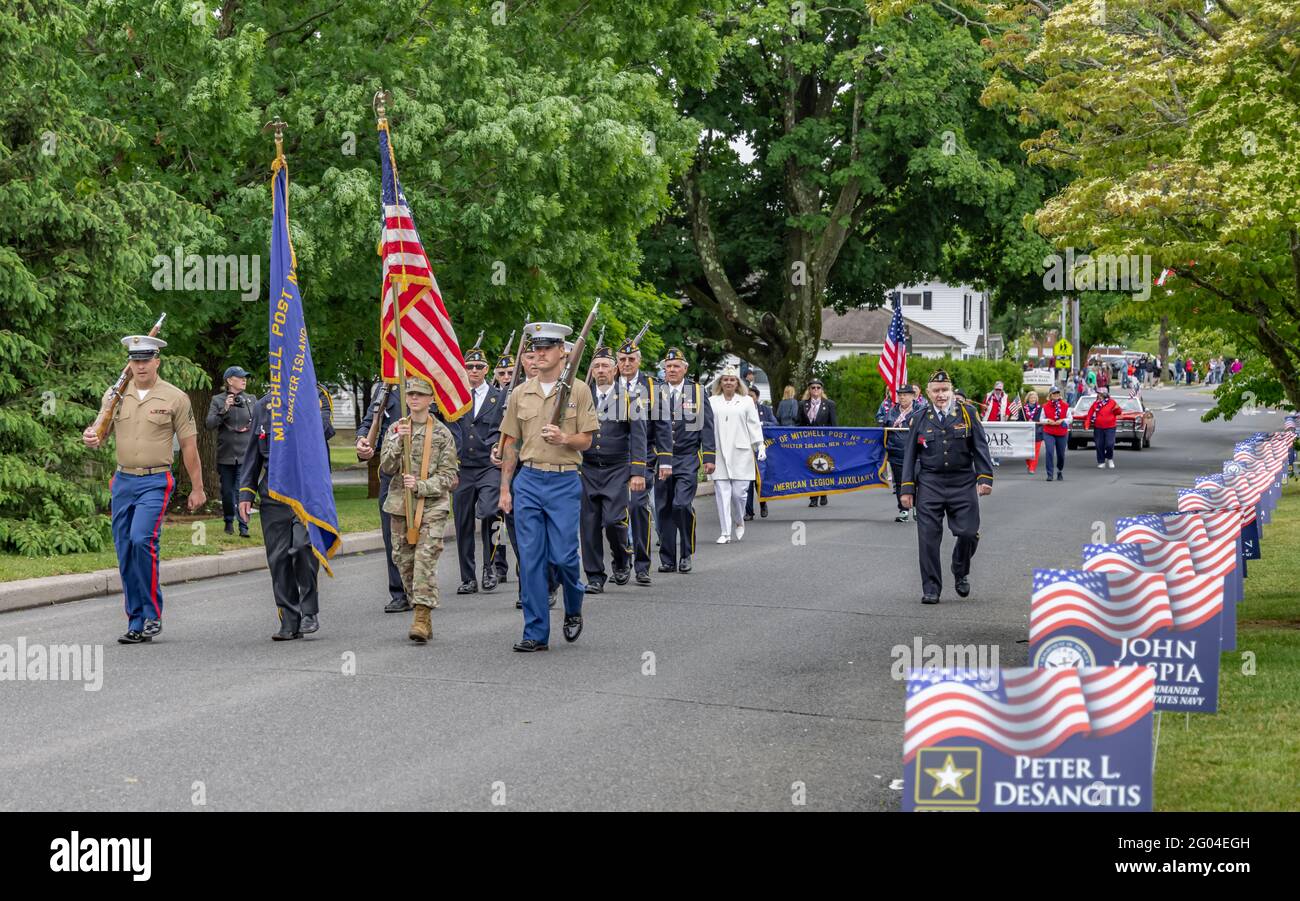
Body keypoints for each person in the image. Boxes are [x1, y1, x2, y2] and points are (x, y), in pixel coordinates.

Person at [82, 334, 205, 644]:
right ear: (130, 363)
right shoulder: (114, 395)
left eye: (145, 359)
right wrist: (93, 436)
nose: (140, 365)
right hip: (123, 480)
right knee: (125, 549)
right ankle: (135, 620)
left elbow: (189, 446)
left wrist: (198, 488)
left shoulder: (175, 397)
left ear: (156, 361)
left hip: (155, 480)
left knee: (141, 540)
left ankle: (152, 614)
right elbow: (102, 430)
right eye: (135, 360)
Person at [498, 321, 599, 652]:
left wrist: (565, 437)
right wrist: (505, 488)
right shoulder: (519, 393)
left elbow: (586, 440)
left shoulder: (579, 390)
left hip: (564, 479)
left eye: (546, 349)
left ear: (563, 352)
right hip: (528, 480)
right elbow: (510, 444)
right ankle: (535, 632)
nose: (538, 354)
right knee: (530, 559)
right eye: (535, 349)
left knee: (565, 556)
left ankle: (573, 604)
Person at [239, 383, 335, 640]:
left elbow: (324, 430)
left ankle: (308, 610)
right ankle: (288, 617)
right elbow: (253, 453)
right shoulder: (263, 406)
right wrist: (246, 492)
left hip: (307, 493)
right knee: (279, 558)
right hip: (274, 492)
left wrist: (304, 407)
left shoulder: (316, 395)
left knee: (303, 547)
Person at [898, 370, 994, 605]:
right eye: (936, 391)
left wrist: (985, 477)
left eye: (945, 390)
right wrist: (907, 489)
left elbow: (980, 447)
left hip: (962, 481)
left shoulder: (968, 413)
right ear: (928, 393)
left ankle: (960, 569)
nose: (941, 395)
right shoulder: (919, 417)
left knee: (969, 533)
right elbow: (910, 454)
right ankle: (931, 588)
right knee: (928, 538)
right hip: (930, 483)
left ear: (951, 390)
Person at [378, 377, 459, 642]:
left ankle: (421, 617)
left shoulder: (442, 434)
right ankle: (419, 606)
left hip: (433, 505)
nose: (414, 399)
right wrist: (395, 443)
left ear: (430, 400)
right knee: (404, 561)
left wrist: (423, 485)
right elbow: (386, 468)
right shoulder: (397, 429)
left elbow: (450, 476)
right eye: (410, 394)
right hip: (401, 505)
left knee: (425, 559)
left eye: (420, 395)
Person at [580, 343, 646, 593]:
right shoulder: (581, 397)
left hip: (617, 468)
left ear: (615, 369)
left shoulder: (630, 398)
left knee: (613, 520)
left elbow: (638, 437)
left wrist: (637, 472)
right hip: (587, 468)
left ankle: (621, 558)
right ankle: (595, 576)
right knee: (588, 524)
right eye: (596, 366)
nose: (600, 370)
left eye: (605, 366)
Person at [447, 341, 506, 596]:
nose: (473, 370)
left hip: (488, 465)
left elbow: (503, 428)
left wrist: (496, 446)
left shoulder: (499, 396)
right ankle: (468, 577)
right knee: (462, 523)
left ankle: (490, 566)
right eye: (469, 366)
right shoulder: (453, 398)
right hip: (462, 467)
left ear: (486, 369)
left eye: (478, 366)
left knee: (492, 513)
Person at [614, 332, 673, 586]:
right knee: (614, 515)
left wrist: (666, 459)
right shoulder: (607, 384)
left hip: (644, 457)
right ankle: (620, 560)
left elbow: (662, 425)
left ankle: (642, 563)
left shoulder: (653, 386)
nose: (626, 364)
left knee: (638, 507)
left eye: (631, 359)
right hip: (613, 459)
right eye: (622, 359)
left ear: (639, 360)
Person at [655, 347, 716, 573]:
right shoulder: (655, 391)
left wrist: (709, 456)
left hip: (687, 457)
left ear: (685, 369)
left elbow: (707, 426)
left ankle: (686, 553)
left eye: (675, 366)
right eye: (668, 366)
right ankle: (668, 559)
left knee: (681, 505)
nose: (671, 370)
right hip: (662, 459)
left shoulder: (698, 392)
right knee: (663, 509)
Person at [356, 382, 409, 612]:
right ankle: (399, 592)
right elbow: (370, 421)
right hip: (392, 473)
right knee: (392, 534)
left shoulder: (431, 379)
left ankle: (421, 587)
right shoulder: (383, 388)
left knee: (422, 533)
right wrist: (362, 441)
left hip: (424, 471)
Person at [708, 366, 765, 543]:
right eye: (725, 379)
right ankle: (725, 532)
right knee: (722, 493)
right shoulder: (711, 401)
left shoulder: (747, 401)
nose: (728, 382)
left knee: (739, 494)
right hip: (719, 452)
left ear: (737, 383)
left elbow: (754, 425)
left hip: (741, 452)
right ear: (720, 382)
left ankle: (739, 520)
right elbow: (707, 427)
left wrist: (760, 446)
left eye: (732, 380)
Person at [204, 365, 254, 537]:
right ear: (230, 381)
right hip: (226, 454)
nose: (244, 380)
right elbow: (209, 424)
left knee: (242, 490)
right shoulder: (217, 400)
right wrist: (224, 409)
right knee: (227, 492)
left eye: (245, 377)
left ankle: (244, 526)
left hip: (246, 455)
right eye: (240, 377)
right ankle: (228, 521)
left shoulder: (251, 400)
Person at [884, 384, 923, 522]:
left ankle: (918, 508)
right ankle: (903, 510)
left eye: (905, 394)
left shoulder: (920, 411)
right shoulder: (892, 412)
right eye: (900, 394)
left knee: (917, 481)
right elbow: (884, 429)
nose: (902, 397)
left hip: (915, 453)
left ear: (913, 396)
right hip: (896, 452)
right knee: (900, 482)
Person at [798, 378, 838, 506]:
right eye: (813, 387)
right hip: (808, 440)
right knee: (811, 466)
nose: (815, 390)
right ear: (809, 390)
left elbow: (834, 424)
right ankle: (813, 497)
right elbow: (799, 424)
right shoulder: (803, 404)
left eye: (818, 388)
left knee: (823, 465)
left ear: (822, 390)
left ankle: (823, 492)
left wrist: (833, 441)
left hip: (824, 440)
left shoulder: (829, 404)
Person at [745, 387, 777, 520]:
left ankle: (763, 503)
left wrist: (762, 423)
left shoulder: (765, 410)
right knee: (747, 482)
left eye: (751, 396)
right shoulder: (741, 409)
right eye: (746, 395)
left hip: (761, 449)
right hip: (745, 449)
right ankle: (748, 512)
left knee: (759, 481)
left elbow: (775, 424)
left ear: (756, 397)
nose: (748, 398)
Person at [1083, 387, 1120, 469]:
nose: (1099, 395)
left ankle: (1110, 458)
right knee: (1099, 444)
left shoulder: (1112, 402)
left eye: (1100, 394)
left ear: (1105, 395)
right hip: (1098, 427)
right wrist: (1087, 424)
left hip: (1110, 427)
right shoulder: (1095, 403)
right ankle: (1101, 461)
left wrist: (1117, 409)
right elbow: (1089, 415)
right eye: (1098, 394)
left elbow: (1118, 412)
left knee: (1110, 444)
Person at [1042, 386, 1070, 481]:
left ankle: (1059, 471)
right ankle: (1049, 474)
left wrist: (1062, 420)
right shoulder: (1045, 406)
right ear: (1050, 395)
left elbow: (1070, 419)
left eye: (1057, 393)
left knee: (1061, 454)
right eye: (1054, 393)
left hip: (1061, 432)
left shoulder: (1065, 405)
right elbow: (1041, 419)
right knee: (1049, 452)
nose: (1056, 395)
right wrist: (1047, 420)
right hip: (1049, 432)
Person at [981, 381, 1010, 468]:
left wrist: (1007, 414)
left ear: (1002, 389)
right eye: (997, 389)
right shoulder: (988, 395)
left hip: (1000, 421)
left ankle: (996, 459)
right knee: (989, 441)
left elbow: (1008, 407)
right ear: (994, 388)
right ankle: (989, 458)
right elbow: (983, 405)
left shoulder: (1005, 397)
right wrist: (984, 407)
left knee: (998, 441)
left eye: (999, 389)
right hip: (989, 421)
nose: (998, 391)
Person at [1017, 390, 1044, 474]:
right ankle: (1029, 464)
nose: (1033, 399)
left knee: (1035, 451)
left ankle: (1032, 468)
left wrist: (1034, 421)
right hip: (1026, 433)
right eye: (1031, 397)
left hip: (1037, 432)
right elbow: (1019, 420)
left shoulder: (1040, 409)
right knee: (1027, 451)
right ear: (1028, 399)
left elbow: (1042, 419)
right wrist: (1025, 422)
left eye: (1034, 397)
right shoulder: (1023, 409)